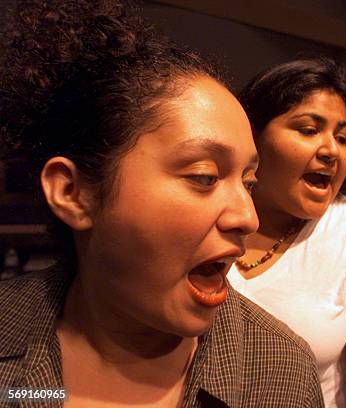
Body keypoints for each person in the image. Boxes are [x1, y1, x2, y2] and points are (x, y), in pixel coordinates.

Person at [0, 1, 324, 407]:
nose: (247, 218)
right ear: (72, 193)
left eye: (249, 183)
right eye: (204, 177)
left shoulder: (281, 371)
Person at [227, 58, 346, 408]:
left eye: (342, 137)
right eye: (308, 129)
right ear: (252, 136)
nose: (331, 150)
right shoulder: (208, 211)